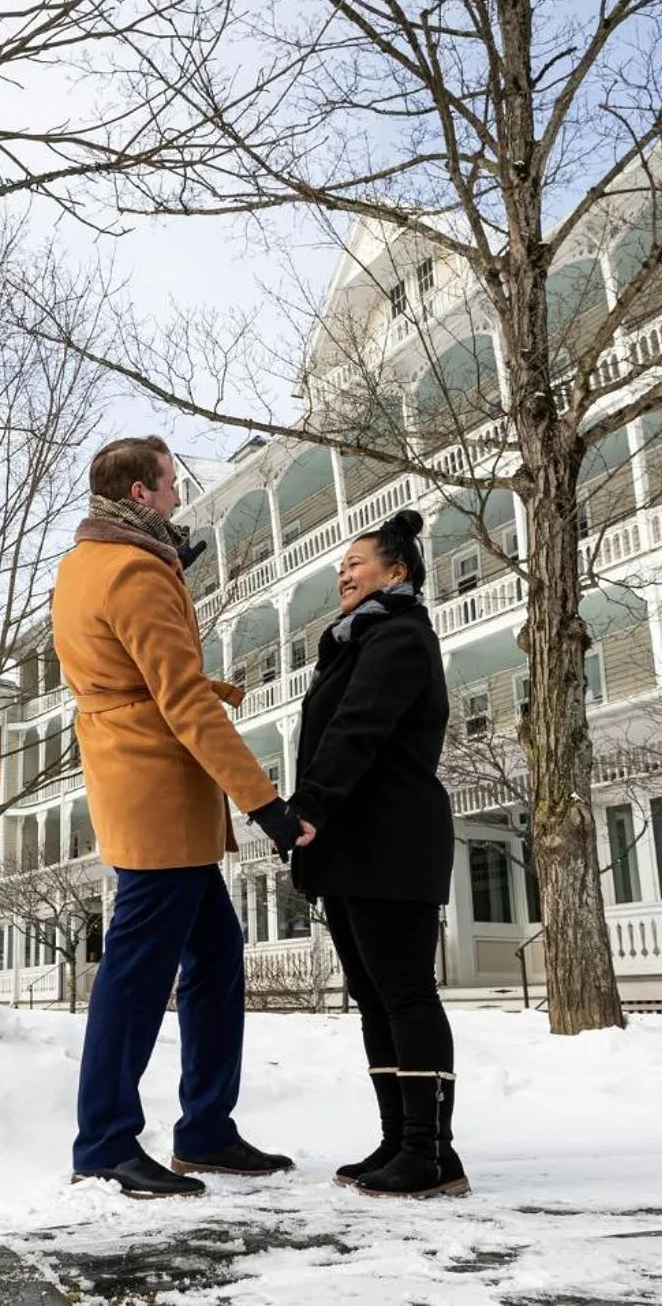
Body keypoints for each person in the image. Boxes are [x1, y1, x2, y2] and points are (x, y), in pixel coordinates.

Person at [54, 435, 311, 1199]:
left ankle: (205, 1128)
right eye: (170, 484)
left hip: (137, 775)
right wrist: (265, 802)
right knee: (135, 976)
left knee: (215, 956)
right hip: (159, 784)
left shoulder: (86, 563)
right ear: (140, 494)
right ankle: (103, 1140)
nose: (178, 495)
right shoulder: (135, 571)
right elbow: (182, 699)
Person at [282, 511, 467, 1198]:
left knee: (405, 991)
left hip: (393, 838)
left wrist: (310, 804)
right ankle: (398, 1138)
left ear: (398, 571)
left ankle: (433, 1151)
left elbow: (359, 727)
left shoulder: (398, 637)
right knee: (372, 998)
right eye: (340, 569)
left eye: (356, 564)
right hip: (355, 843)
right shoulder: (359, 640)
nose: (343, 576)